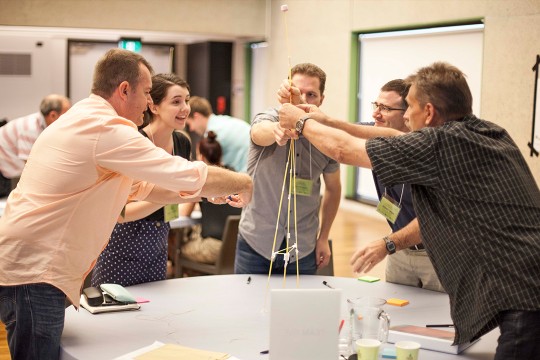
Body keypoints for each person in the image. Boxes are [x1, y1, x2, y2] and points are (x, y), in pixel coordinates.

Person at [0, 48, 252, 360]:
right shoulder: (107, 129)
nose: (149, 103)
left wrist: (203, 193)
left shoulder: (86, 118)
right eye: (147, 93)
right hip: (35, 270)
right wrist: (244, 182)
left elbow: (142, 188)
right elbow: (179, 172)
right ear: (123, 90)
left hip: (31, 265)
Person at [278, 61, 540, 359]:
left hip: (523, 294)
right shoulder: (488, 132)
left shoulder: (439, 144)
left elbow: (344, 151)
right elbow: (392, 137)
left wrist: (299, 122)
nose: (406, 116)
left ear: (427, 112)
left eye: (410, 108)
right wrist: (327, 121)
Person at [313, 78, 443, 292]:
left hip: (435, 256)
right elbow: (341, 134)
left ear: (408, 113)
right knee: (397, 313)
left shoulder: (426, 150)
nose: (376, 114)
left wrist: (387, 244)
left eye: (385, 108)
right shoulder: (375, 133)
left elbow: (431, 221)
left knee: (435, 319)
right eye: (377, 105)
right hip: (399, 252)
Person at [235, 62, 342, 275]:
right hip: (256, 244)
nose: (302, 102)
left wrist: (323, 237)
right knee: (245, 306)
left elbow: (334, 188)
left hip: (302, 248)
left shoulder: (326, 135)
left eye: (311, 95)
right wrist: (278, 129)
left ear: (322, 99)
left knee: (299, 308)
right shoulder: (269, 118)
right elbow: (258, 132)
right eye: (298, 93)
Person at [91, 73, 193, 287]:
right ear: (153, 106)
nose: (185, 108)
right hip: (123, 241)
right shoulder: (134, 142)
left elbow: (183, 192)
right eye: (176, 101)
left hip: (159, 238)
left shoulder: (182, 143)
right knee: (114, 310)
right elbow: (121, 213)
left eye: (187, 100)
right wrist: (173, 195)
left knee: (153, 310)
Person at [180, 130, 240, 265]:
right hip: (236, 246)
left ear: (200, 157)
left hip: (213, 247)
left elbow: (184, 213)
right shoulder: (234, 175)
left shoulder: (202, 179)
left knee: (176, 247)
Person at [0, 94, 71, 196]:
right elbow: (31, 167)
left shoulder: (44, 125)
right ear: (53, 115)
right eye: (67, 114)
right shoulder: (30, 129)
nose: (70, 117)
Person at [186, 96, 250, 172]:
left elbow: (210, 170)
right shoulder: (223, 120)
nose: (191, 129)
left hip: (249, 173)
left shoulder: (213, 134)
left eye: (189, 124)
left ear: (196, 117)